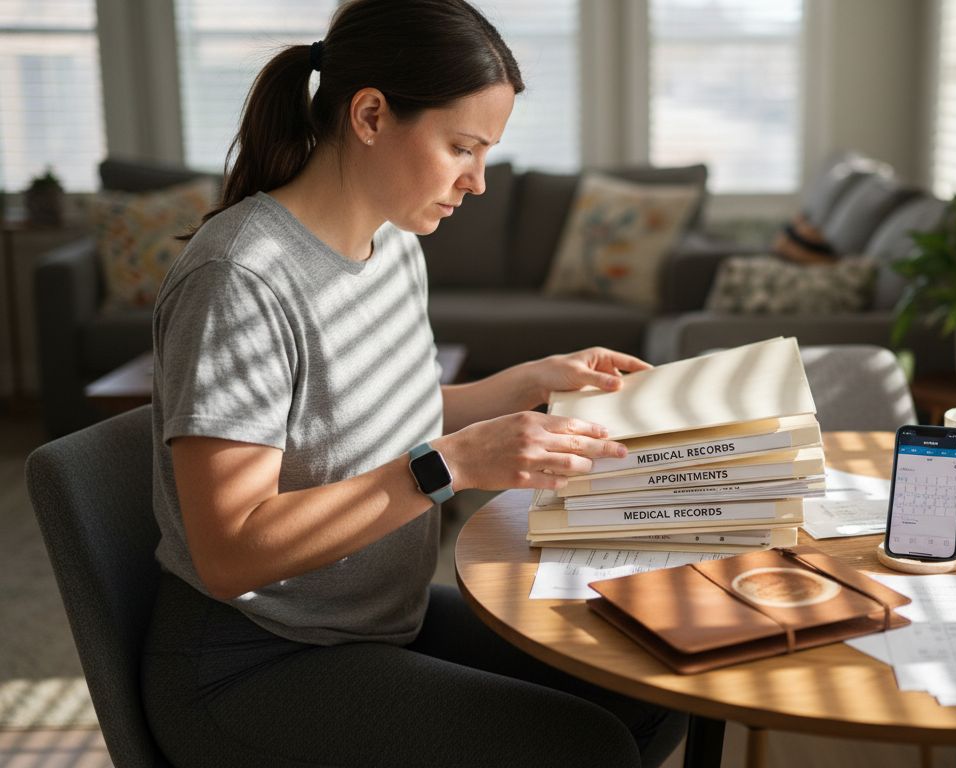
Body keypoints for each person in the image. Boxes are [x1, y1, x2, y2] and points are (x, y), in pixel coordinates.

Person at [139, 1, 687, 765]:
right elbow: (231, 550)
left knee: (653, 681)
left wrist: (531, 381)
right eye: (462, 146)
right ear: (370, 115)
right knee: (582, 746)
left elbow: (377, 416)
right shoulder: (239, 278)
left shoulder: (393, 245)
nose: (480, 180)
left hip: (375, 622)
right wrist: (452, 464)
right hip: (252, 660)